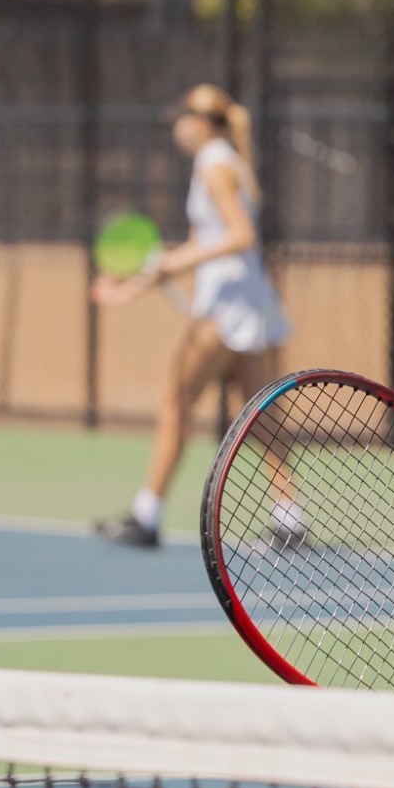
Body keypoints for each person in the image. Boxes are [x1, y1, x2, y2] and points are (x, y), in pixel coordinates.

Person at [92, 85, 292, 548]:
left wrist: (171, 266)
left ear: (203, 121)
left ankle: (146, 516)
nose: (177, 125)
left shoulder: (215, 165)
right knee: (261, 414)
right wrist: (135, 284)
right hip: (250, 303)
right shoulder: (226, 161)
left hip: (228, 309)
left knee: (175, 403)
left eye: (183, 115)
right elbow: (200, 245)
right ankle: (290, 517)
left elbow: (240, 236)